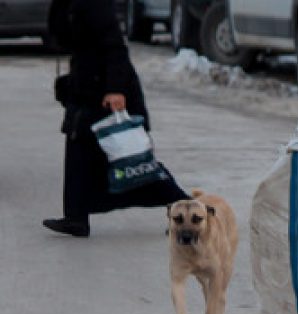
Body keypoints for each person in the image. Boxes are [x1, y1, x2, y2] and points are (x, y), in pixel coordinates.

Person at [44, 0, 189, 237]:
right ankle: (76, 217)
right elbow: (60, 37)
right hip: (85, 88)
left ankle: (187, 207)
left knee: (132, 162)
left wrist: (116, 89)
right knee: (78, 153)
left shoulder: (95, 4)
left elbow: (116, 48)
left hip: (106, 92)